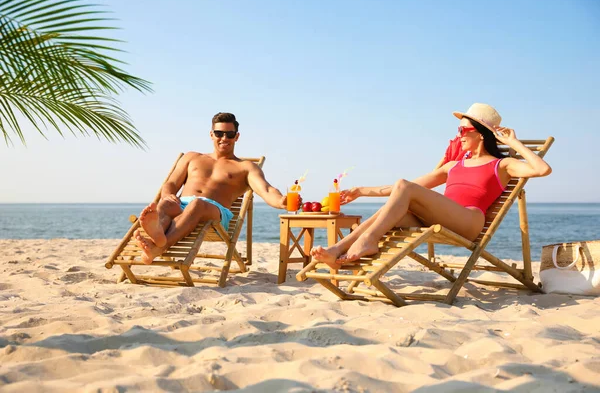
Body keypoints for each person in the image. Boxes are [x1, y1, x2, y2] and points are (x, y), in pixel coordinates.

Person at [311, 103, 552, 269]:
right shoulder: (452, 167)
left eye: (463, 130)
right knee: (389, 211)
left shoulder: (502, 164)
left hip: (467, 221)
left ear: (481, 134)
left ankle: (368, 240)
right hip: (441, 220)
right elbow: (399, 190)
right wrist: (362, 191)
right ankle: (336, 250)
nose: (458, 136)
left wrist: (514, 143)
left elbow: (542, 169)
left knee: (403, 187)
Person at [134, 112, 292, 264]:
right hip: (182, 206)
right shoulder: (192, 157)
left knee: (197, 204)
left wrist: (281, 201)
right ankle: (157, 236)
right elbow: (172, 183)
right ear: (211, 135)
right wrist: (168, 195)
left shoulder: (245, 167)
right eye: (219, 133)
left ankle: (159, 246)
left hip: (215, 211)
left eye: (230, 134)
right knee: (165, 203)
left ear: (237, 137)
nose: (224, 138)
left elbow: (267, 190)